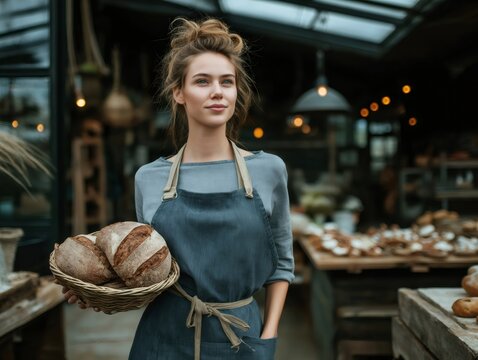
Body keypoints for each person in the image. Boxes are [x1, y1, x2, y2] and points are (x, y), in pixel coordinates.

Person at [64, 17, 294, 359]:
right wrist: (95, 287)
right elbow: (148, 271)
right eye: (202, 81)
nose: (217, 91)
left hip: (241, 338)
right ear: (178, 93)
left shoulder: (269, 171)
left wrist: (269, 335)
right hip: (164, 339)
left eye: (226, 82)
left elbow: (281, 266)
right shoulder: (150, 177)